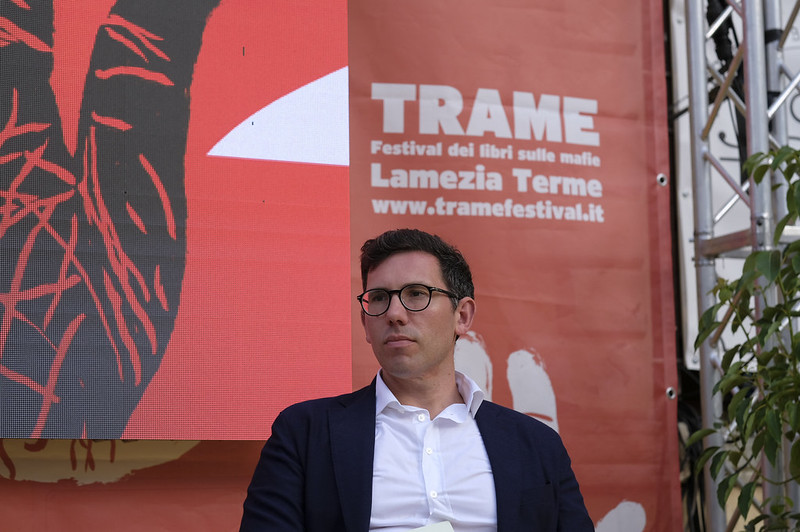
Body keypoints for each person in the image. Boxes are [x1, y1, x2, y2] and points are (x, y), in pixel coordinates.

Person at [240, 228, 593, 531]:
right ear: (365, 325)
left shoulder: (537, 444)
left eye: (416, 294)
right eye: (379, 298)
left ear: (462, 315)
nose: (394, 314)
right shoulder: (304, 433)